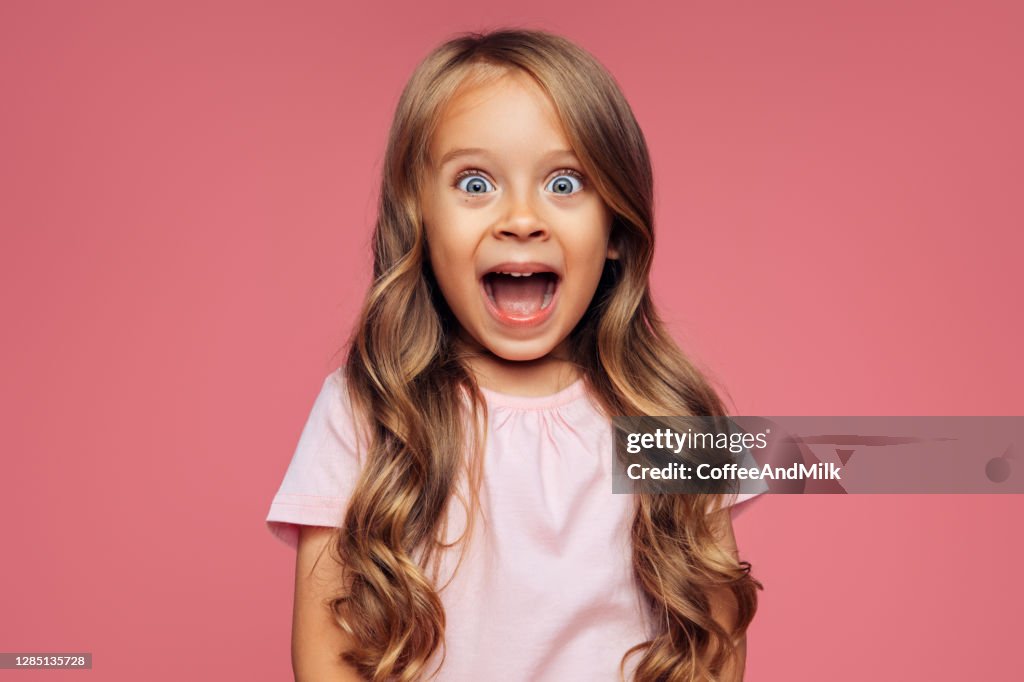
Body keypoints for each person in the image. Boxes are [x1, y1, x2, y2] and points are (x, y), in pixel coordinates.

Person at [266, 27, 763, 682]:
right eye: (475, 184)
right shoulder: (367, 407)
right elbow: (324, 654)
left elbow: (717, 647)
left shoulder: (670, 417)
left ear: (615, 226)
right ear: (420, 219)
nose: (521, 218)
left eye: (564, 183)